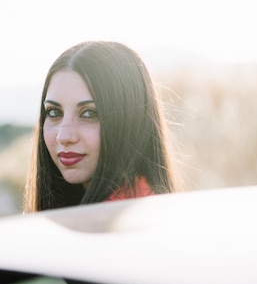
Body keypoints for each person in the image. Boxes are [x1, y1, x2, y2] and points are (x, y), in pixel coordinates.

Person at [24, 41, 180, 212]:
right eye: (54, 113)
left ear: (130, 123)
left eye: (89, 114)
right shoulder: (84, 219)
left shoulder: (124, 226)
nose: (64, 136)